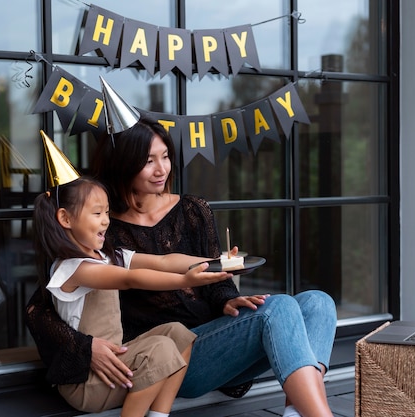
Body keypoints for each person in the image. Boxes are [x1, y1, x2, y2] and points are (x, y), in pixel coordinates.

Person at [26, 118, 337, 417]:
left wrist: (226, 291)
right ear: (125, 165)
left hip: (216, 342)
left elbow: (195, 271)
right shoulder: (99, 235)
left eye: (165, 157)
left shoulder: (191, 209)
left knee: (318, 302)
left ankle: (297, 410)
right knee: (279, 307)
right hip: (165, 359)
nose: (161, 169)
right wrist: (85, 346)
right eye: (149, 161)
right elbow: (40, 309)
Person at [30, 175, 234, 416]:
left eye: (107, 213)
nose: (106, 221)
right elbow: (130, 279)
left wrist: (217, 263)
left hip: (115, 364)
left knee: (178, 334)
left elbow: (164, 261)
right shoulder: (73, 268)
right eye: (97, 214)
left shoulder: (108, 256)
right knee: (160, 349)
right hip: (87, 382)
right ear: (65, 218)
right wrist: (184, 281)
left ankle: (159, 414)